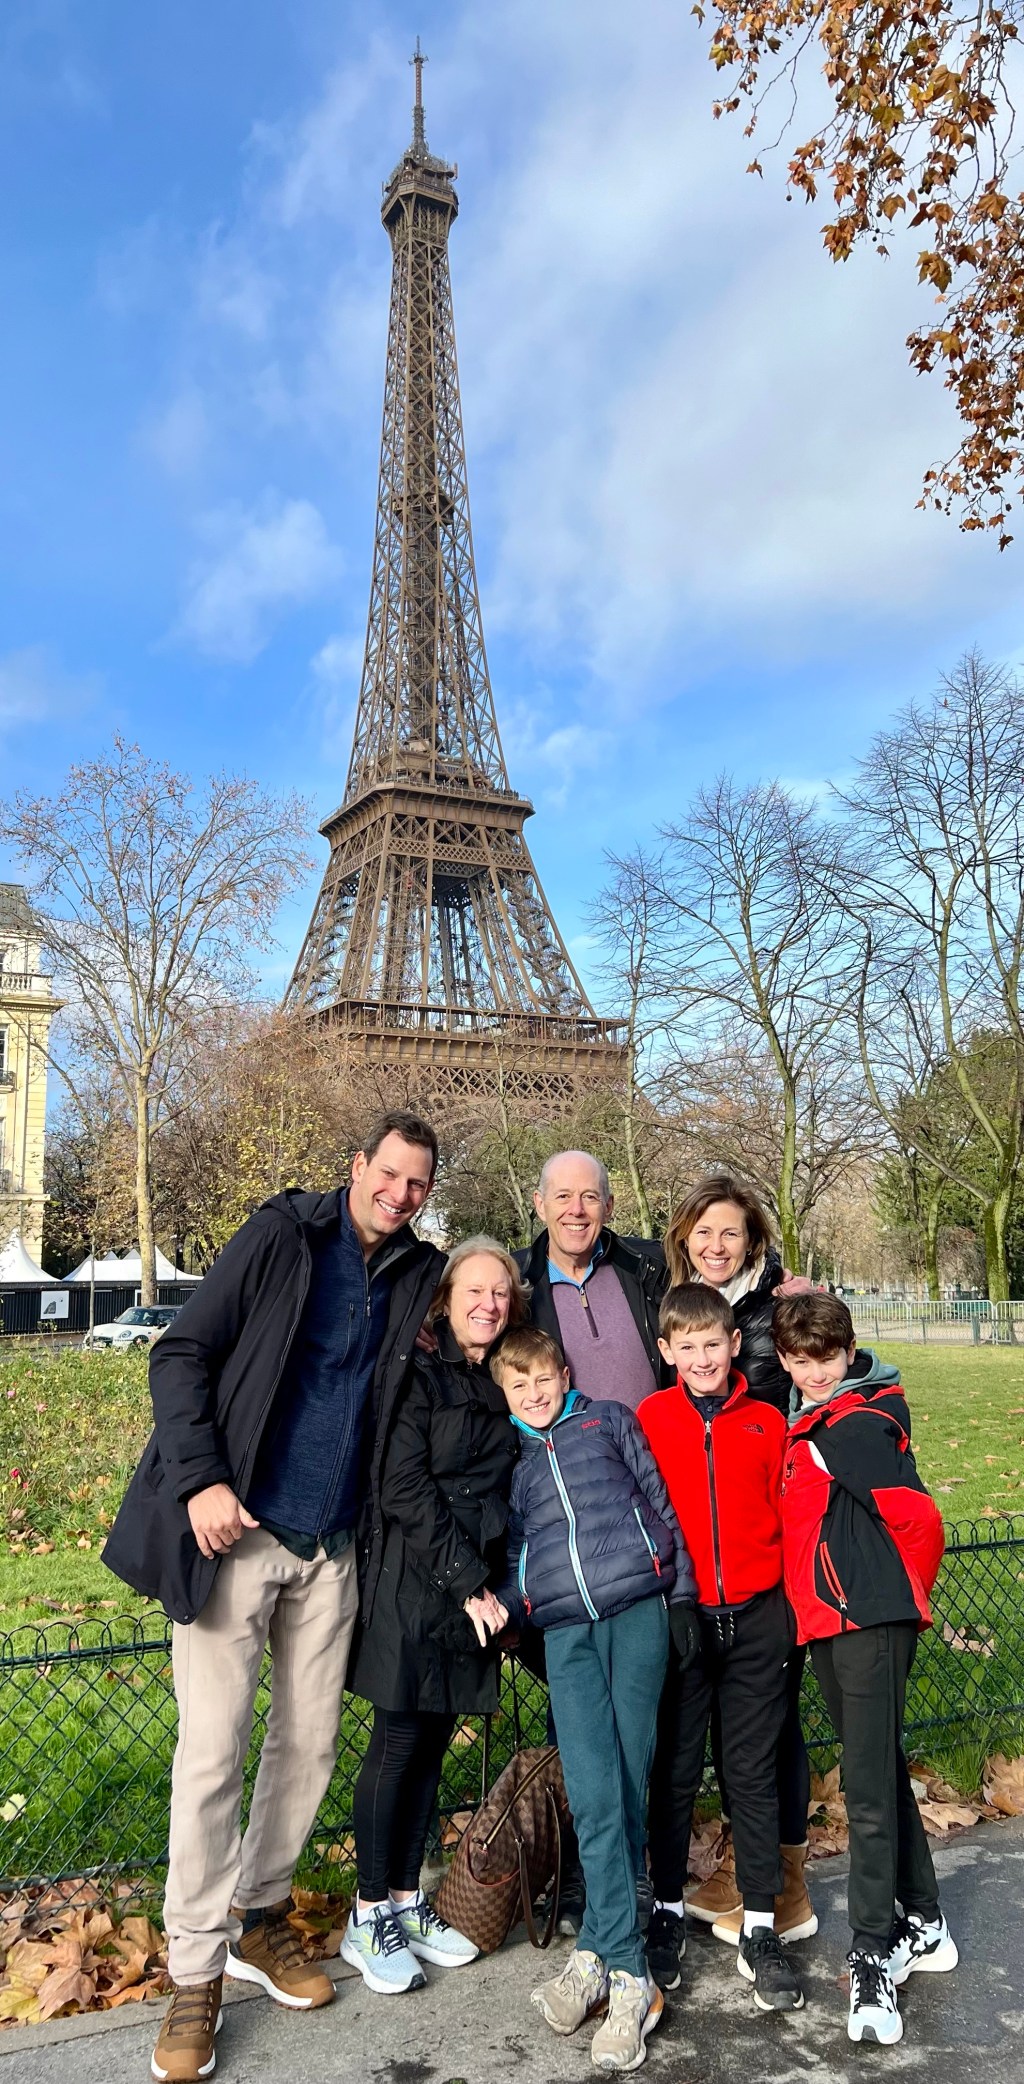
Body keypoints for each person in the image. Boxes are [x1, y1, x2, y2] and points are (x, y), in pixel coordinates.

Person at [103, 1111, 443, 2084]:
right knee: (213, 1753)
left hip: (334, 1546)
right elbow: (181, 1353)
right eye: (388, 1174)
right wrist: (202, 1479)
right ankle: (195, 1967)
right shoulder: (283, 1235)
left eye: (418, 1184)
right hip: (239, 1531)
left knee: (309, 1744)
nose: (400, 1194)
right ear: (357, 1165)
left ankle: (260, 1912)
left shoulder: (417, 1271)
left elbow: (492, 1311)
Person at [493, 1325, 698, 2075]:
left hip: (637, 1613)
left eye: (544, 1378)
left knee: (626, 1784)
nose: (535, 1393)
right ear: (505, 1394)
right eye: (519, 1385)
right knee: (592, 1789)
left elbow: (659, 1502)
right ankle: (621, 1964)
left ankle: (609, 1966)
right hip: (566, 1632)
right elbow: (518, 1553)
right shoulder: (516, 1466)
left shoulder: (609, 1421)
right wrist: (503, 1602)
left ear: (565, 1373)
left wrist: (680, 1595)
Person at [341, 1237, 529, 1994]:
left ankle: (405, 1897)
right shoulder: (419, 1373)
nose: (489, 1304)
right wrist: (467, 1581)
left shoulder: (501, 1375)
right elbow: (403, 1485)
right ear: (446, 1299)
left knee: (432, 1746)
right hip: (417, 1582)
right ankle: (367, 1913)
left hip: (470, 1589)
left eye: (501, 1292)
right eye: (474, 1291)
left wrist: (489, 1584)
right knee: (397, 1744)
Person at [774, 1292, 955, 2048]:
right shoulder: (810, 1418)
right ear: (785, 1360)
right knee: (875, 1770)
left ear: (849, 1353)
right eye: (800, 1360)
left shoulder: (855, 1424)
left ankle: (873, 1951)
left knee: (869, 1794)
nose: (815, 1372)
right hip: (830, 1621)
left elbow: (918, 1518)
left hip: (866, 1622)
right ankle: (927, 1922)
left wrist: (892, 1597)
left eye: (827, 1358)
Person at [637, 1284, 804, 2014]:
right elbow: (642, 1514)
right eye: (688, 1347)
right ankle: (667, 1908)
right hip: (683, 1619)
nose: (703, 1358)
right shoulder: (650, 1418)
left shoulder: (767, 1421)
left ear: (736, 1344)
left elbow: (787, 1514)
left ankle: (761, 1923)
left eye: (715, 1344)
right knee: (674, 1771)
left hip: (758, 1619)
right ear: (666, 1351)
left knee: (751, 1773)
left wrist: (786, 1609)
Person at [662, 1172, 815, 1945]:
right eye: (703, 1232)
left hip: (762, 1552)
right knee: (705, 1749)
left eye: (731, 1231)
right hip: (697, 1576)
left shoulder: (781, 1305)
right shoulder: (675, 1305)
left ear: (753, 1239)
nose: (716, 1245)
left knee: (765, 1741)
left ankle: (781, 1889)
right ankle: (728, 1879)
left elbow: (829, 1363)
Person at [516, 1150, 668, 1412]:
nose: (576, 1210)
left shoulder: (650, 1265)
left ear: (608, 1206)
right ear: (540, 1205)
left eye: (589, 1196)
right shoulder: (515, 1282)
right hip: (566, 1439)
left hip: (657, 1436)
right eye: (563, 1196)